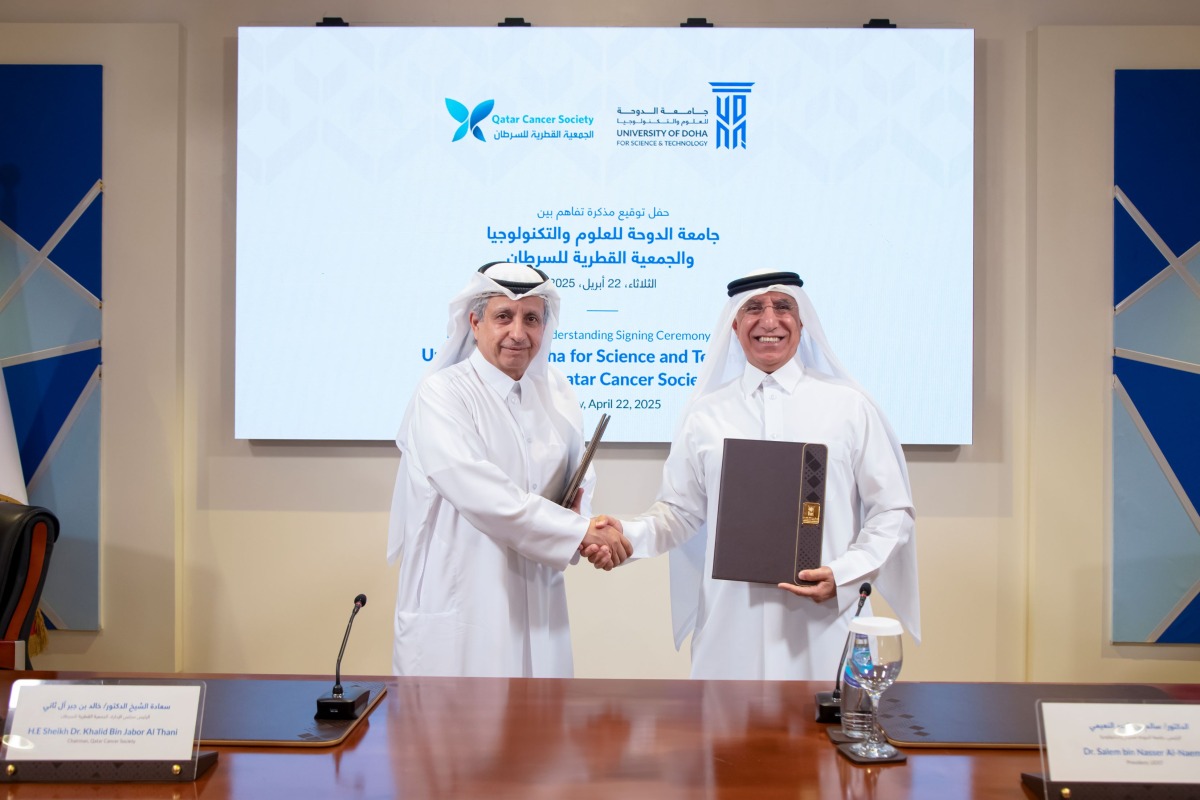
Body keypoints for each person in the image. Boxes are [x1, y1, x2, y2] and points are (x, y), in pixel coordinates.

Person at [595, 270, 919, 679]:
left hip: (823, 629)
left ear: (801, 322)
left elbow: (892, 510)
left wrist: (844, 574)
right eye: (753, 308)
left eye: (783, 307)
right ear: (734, 324)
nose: (769, 320)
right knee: (724, 722)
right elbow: (680, 513)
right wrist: (626, 534)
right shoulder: (705, 414)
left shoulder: (849, 407)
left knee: (824, 722)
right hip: (731, 630)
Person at [387, 262, 630, 678]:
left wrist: (587, 526)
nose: (518, 333)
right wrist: (579, 532)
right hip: (463, 601)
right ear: (474, 323)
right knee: (463, 718)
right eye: (504, 316)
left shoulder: (556, 392)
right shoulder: (442, 393)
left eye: (531, 319)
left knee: (542, 716)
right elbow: (483, 494)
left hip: (539, 600)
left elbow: (579, 477)